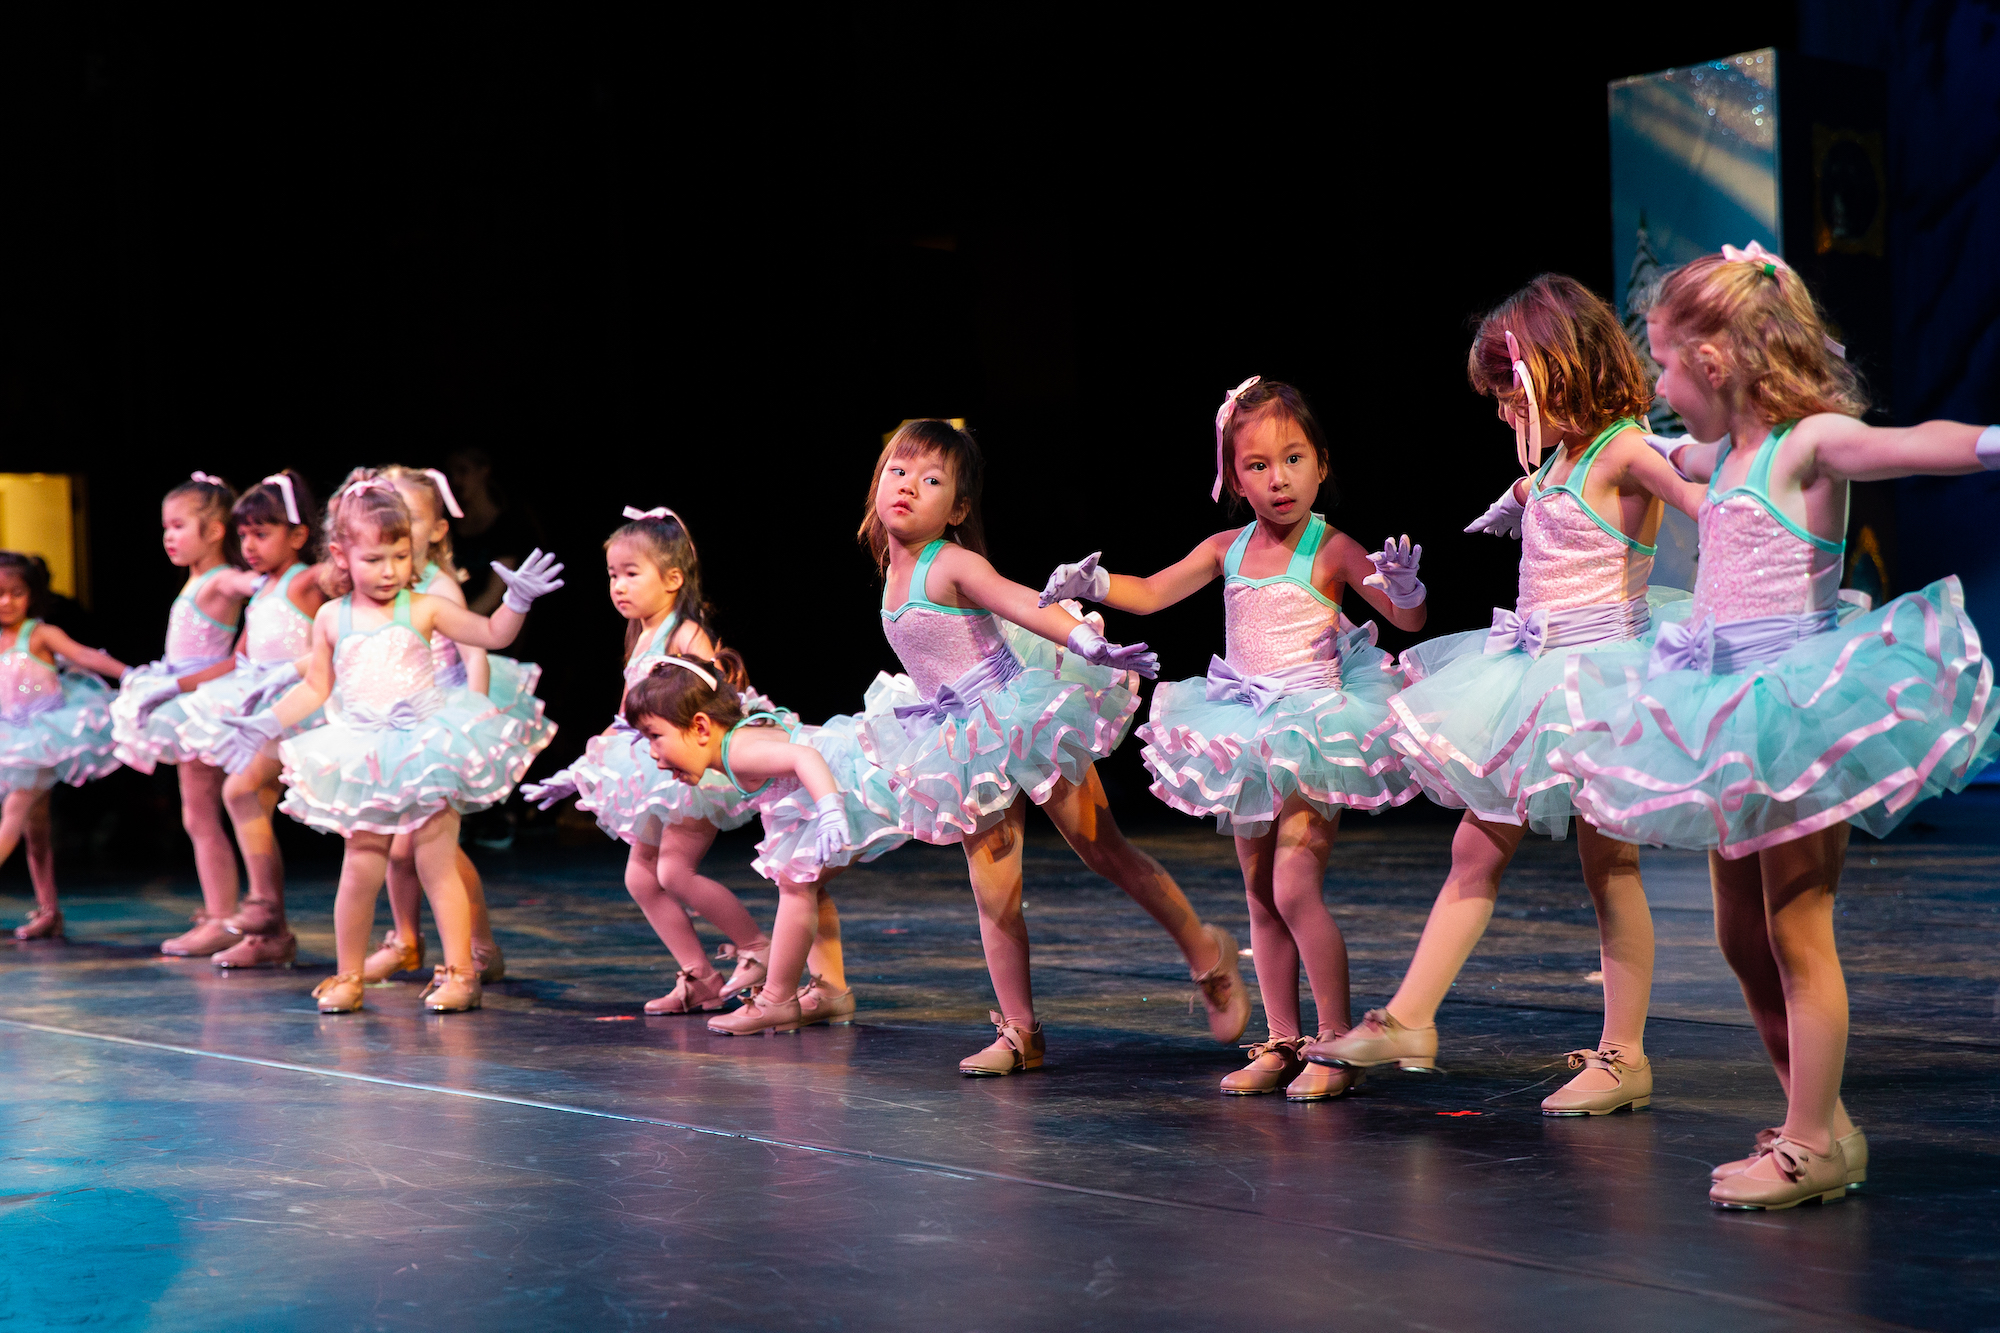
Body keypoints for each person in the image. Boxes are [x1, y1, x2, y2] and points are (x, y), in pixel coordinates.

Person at [1548, 241, 2000, 1208]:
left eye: (1666, 364)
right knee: (1740, 937)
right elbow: (1642, 452)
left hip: (1791, 703)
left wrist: (1992, 440)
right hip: (1719, 710)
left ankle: (1810, 1144)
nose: (1660, 384)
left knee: (1797, 930)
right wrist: (1541, 486)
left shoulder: (1807, 442)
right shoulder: (1724, 452)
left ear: (1714, 363)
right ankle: (1819, 1116)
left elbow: (1916, 441)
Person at [1308, 275, 1705, 1118]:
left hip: (1599, 679)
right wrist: (1513, 500)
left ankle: (1623, 1053)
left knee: (1610, 865)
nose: (1502, 418)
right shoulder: (1560, 456)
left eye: (1509, 400)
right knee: (1474, 848)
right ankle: (1411, 1018)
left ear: (1558, 377)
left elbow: (1694, 493)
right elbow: (1539, 491)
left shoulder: (1628, 450)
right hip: (1530, 676)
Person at [1039, 377, 1426, 1099]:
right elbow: (1153, 591)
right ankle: (1283, 1038)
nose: (1278, 479)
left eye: (1293, 459)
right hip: (1245, 726)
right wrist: (1092, 586)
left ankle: (1336, 1040)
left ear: (1321, 463)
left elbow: (1405, 622)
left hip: (1313, 727)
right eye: (1257, 465)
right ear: (1234, 477)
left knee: (1294, 881)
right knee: (1258, 892)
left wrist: (1402, 588)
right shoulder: (1227, 547)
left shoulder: (1333, 548)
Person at [851, 419, 1252, 1075]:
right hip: (962, 740)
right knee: (994, 893)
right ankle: (1020, 1032)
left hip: (1016, 716)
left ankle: (1209, 952)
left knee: (1103, 848)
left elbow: (1020, 603)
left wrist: (1085, 641)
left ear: (955, 508)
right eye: (899, 471)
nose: (907, 487)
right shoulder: (889, 571)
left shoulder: (951, 560)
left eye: (930, 480)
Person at [213, 478, 564, 1014]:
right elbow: (316, 687)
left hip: (425, 748)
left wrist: (516, 601)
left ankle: (460, 972)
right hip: (365, 753)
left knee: (436, 864)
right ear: (341, 555)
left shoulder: (423, 607)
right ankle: (348, 975)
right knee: (360, 866)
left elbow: (491, 634)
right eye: (375, 558)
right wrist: (266, 722)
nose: (390, 570)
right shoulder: (332, 617)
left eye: (400, 556)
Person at [524, 507, 803, 1015]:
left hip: (688, 771)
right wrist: (576, 772)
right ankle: (699, 976)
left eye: (632, 573)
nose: (619, 586)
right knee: (640, 877)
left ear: (673, 579)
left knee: (674, 872)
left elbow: (716, 700)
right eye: (612, 575)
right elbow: (630, 715)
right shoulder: (639, 634)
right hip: (651, 764)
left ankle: (757, 948)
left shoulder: (686, 634)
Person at [619, 651, 905, 1034]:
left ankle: (777, 1000)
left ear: (701, 727)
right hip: (817, 794)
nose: (653, 754)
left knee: (796, 886)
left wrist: (831, 808)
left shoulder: (740, 750)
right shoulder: (729, 744)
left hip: (840, 785)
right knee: (805, 885)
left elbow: (804, 756)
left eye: (656, 737)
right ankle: (831, 992)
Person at [360, 464, 556, 985]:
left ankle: (477, 947)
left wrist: (469, 717)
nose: (399, 529)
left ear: (439, 529)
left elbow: (476, 652)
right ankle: (405, 941)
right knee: (398, 844)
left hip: (440, 716)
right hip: (396, 719)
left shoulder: (438, 584)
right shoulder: (382, 582)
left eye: (411, 519)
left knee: (427, 847)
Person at [176, 471, 329, 967]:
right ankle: (269, 928)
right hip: (268, 712)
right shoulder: (265, 590)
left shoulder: (305, 580)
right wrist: (175, 687)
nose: (249, 545)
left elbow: (342, 574)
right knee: (244, 796)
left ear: (299, 535)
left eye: (262, 534)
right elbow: (239, 658)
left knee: (242, 793)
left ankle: (265, 914)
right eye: (243, 535)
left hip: (306, 708)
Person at [109, 472, 255, 956]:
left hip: (201, 702)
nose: (168, 536)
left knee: (203, 814)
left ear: (214, 531)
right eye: (165, 527)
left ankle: (223, 916)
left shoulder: (218, 580)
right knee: (198, 815)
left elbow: (253, 584)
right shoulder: (196, 579)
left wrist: (280, 579)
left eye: (178, 526)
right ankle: (220, 909)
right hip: (186, 696)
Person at [0, 551, 128, 939]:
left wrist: (134, 675)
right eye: (0, 593)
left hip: (43, 735)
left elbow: (84, 656)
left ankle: (48, 910)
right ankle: (48, 911)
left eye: (16, 593)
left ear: (32, 595)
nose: (6, 601)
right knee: (34, 830)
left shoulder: (40, 633)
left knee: (15, 812)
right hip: (8, 736)